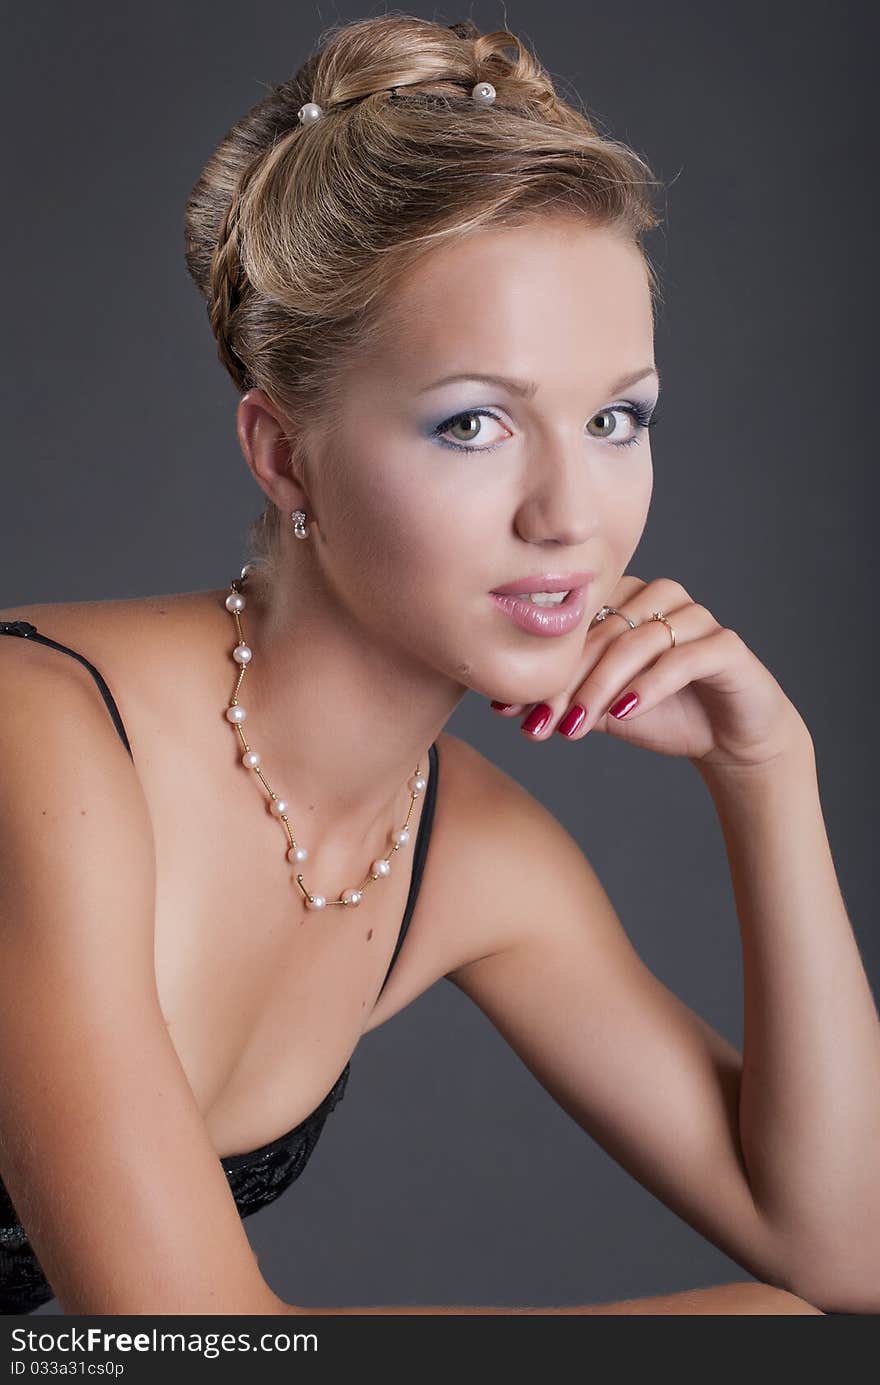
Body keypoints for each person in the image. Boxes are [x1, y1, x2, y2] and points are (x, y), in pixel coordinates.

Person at [0, 13, 872, 1317]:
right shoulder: (40, 736)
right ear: (284, 454)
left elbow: (849, 1249)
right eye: (474, 421)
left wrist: (771, 774)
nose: (568, 512)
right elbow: (172, 1342)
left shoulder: (465, 848)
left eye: (615, 416)